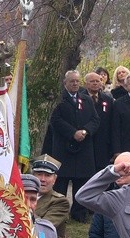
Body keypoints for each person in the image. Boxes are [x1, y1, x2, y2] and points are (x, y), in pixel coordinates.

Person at [43, 70, 100, 222]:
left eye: (77, 81)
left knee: (81, 182)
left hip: (83, 147)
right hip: (63, 147)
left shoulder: (86, 99)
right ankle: (59, 213)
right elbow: (55, 120)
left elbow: (95, 120)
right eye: (71, 81)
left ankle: (79, 213)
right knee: (61, 182)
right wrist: (72, 133)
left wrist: (85, 131)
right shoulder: (58, 100)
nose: (75, 84)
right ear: (65, 83)